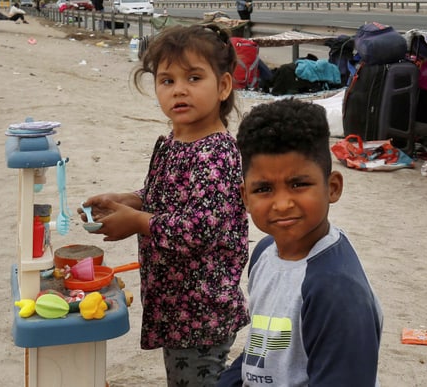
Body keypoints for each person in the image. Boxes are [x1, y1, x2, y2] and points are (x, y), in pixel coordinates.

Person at [79, 25, 249, 387]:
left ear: (223, 86)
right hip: (177, 305)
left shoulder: (215, 153)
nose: (179, 90)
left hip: (202, 312)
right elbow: (164, 196)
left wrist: (139, 222)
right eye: (167, 80)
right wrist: (129, 201)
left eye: (193, 77)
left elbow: (200, 228)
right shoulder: (171, 142)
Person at [219, 99, 383, 387]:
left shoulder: (335, 291)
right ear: (245, 197)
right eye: (264, 189)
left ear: (332, 187)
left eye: (298, 184)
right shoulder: (264, 253)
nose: (282, 204)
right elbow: (259, 352)